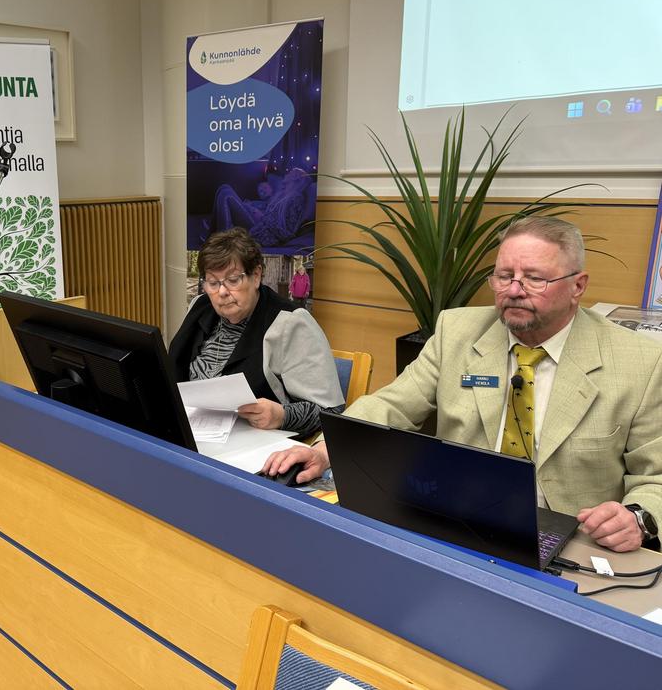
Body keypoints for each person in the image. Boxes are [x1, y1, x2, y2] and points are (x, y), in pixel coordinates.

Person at [263, 217, 662, 553]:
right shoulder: (457, 331)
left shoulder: (639, 362)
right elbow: (393, 404)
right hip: (459, 526)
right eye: (504, 276)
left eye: (534, 278)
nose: (514, 290)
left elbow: (656, 476)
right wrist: (327, 449)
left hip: (574, 544)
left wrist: (638, 518)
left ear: (578, 286)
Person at [171, 227, 344, 435]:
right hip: (191, 433)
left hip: (255, 443)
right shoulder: (199, 306)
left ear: (256, 276)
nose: (222, 292)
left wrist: (282, 415)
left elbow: (330, 412)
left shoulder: (291, 323)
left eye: (233, 280)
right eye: (213, 282)